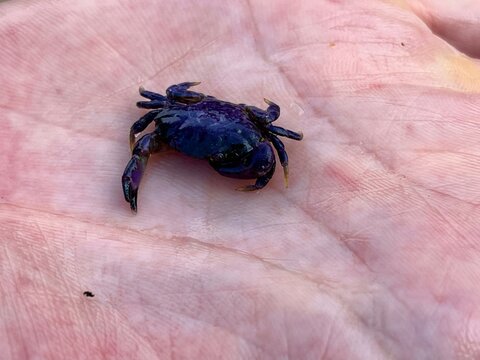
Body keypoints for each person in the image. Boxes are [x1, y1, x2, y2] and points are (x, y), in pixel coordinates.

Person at [1, 0, 479, 358]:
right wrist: (147, 144)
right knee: (157, 142)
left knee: (261, 150)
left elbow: (272, 140)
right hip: (196, 120)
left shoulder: (254, 133)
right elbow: (146, 122)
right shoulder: (166, 117)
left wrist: (253, 161)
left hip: (231, 128)